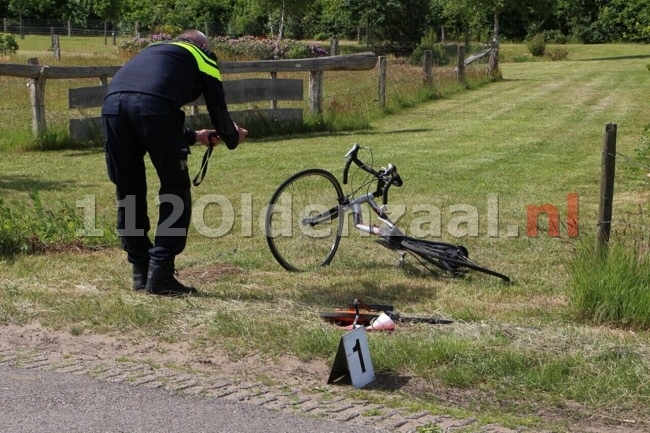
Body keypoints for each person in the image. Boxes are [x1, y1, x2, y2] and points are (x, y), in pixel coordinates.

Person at [102, 29, 248, 296]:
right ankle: (161, 275)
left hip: (112, 107)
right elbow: (217, 106)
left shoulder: (149, 51)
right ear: (203, 46)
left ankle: (140, 270)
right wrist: (231, 137)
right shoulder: (202, 56)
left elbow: (141, 107)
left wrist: (194, 136)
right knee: (174, 190)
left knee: (128, 191)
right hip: (154, 108)